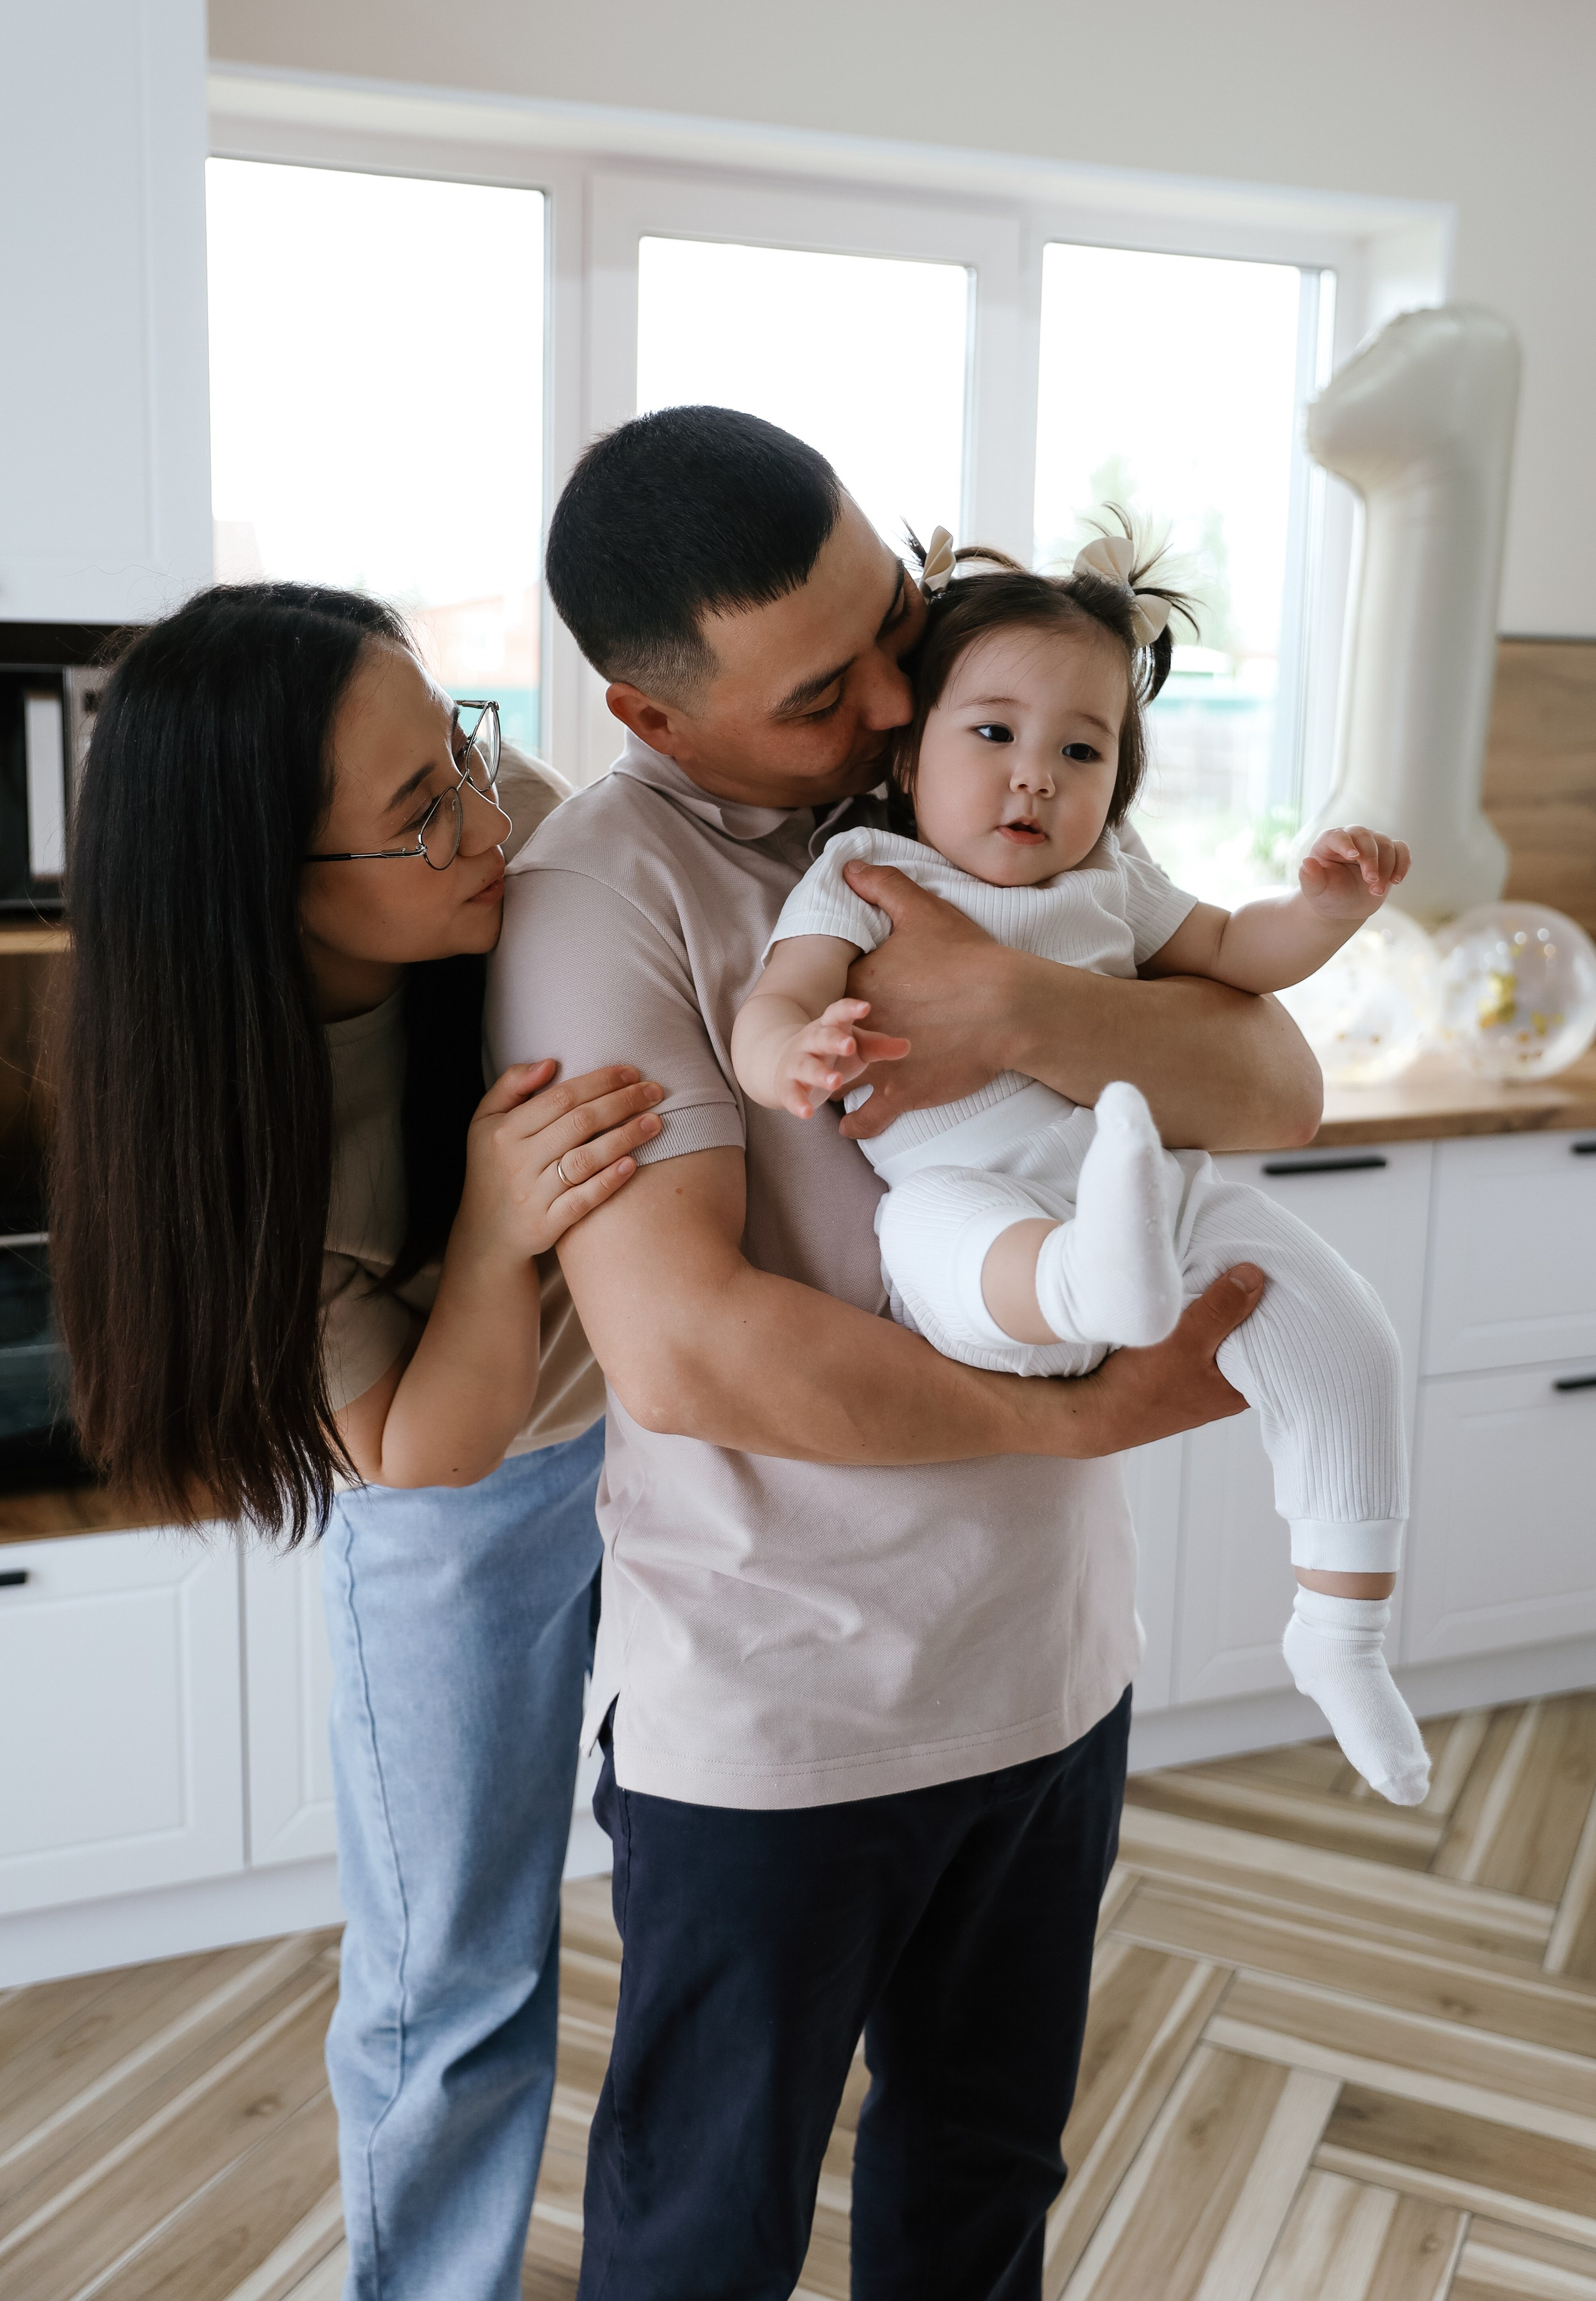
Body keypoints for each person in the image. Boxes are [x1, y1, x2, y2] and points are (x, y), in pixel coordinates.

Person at [488, 407, 1324, 2300]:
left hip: (1046, 1675)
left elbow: (1274, 1076)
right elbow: (690, 1348)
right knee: (705, 2237)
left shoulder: (982, 772)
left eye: (895, 619)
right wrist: (1083, 1417)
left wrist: (1014, 1001)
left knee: (978, 2199)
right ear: (654, 719)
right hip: (781, 1725)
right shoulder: (603, 903)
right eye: (819, 690)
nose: (892, 695)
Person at [50, 584, 663, 2301]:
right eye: (419, 819)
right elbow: (422, 1442)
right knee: (454, 1967)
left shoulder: (491, 823)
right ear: (270, 892)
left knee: (709, 1888)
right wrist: (489, 1225)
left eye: (460, 753)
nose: (490, 816)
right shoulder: (239, 1131)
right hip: (470, 1486)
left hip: (683, 1426)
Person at [733, 526, 1428, 1808]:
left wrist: (1324, 911)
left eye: (1079, 749)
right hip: (970, 1191)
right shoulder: (860, 872)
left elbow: (1236, 951)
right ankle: (1086, 1283)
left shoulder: (1114, 880)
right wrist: (793, 1053)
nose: (1033, 779)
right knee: (944, 1251)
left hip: (1159, 1189)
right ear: (909, 748)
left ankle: (1340, 1633)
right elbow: (770, 1004)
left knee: (1352, 1342)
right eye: (990, 733)